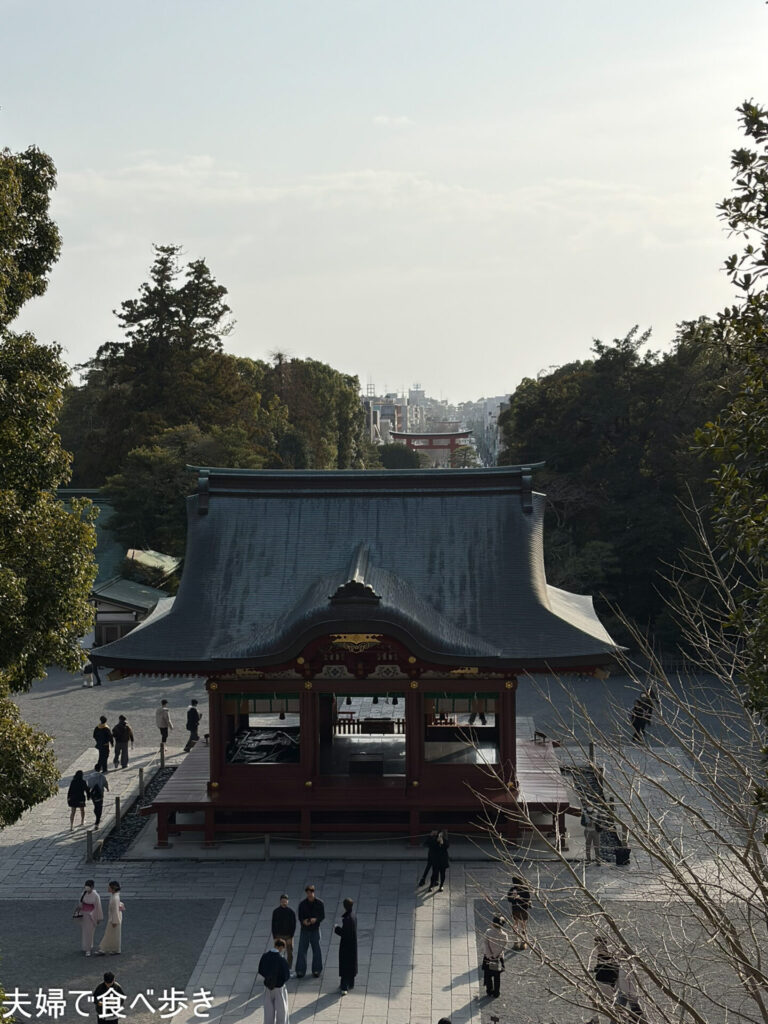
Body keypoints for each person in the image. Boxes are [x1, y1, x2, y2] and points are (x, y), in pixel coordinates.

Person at [258, 937, 291, 1024]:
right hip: (279, 988)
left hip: (268, 987)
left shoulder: (265, 956)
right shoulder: (281, 960)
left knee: (268, 1012)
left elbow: (261, 970)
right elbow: (286, 976)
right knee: (282, 1012)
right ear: (281, 947)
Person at [295, 884, 325, 978]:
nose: (309, 895)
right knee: (302, 950)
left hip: (315, 929)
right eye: (308, 893)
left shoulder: (319, 903)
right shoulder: (302, 904)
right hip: (305, 929)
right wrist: (304, 921)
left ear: (313, 892)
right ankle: (300, 970)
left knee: (317, 950)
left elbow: (322, 916)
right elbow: (300, 916)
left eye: (311, 893)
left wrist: (315, 920)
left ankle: (317, 970)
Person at [588, 936, 619, 1022]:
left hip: (605, 983)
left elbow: (613, 968)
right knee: (594, 1001)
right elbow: (602, 967)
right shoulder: (602, 955)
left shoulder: (607, 955)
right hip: (600, 982)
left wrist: (613, 984)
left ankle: (617, 1020)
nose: (595, 946)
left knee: (610, 1005)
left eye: (596, 944)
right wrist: (594, 970)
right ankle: (595, 1020)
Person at [334, 897, 357, 995]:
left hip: (346, 945)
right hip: (352, 944)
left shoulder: (347, 919)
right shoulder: (353, 915)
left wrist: (337, 928)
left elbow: (345, 933)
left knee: (345, 965)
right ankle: (351, 983)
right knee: (351, 964)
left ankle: (344, 985)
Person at [481, 915, 509, 998]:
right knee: (497, 977)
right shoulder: (505, 935)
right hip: (498, 958)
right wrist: (496, 955)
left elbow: (485, 944)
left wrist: (489, 955)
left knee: (488, 975)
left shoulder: (488, 932)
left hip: (488, 957)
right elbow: (503, 947)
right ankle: (496, 993)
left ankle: (489, 991)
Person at [75, 878, 103, 956]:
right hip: (84, 914)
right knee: (85, 931)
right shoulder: (83, 893)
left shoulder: (96, 895)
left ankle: (88, 949)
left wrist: (98, 917)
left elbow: (98, 907)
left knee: (90, 932)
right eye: (86, 886)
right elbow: (80, 904)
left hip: (92, 915)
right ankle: (85, 946)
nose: (87, 888)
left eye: (88, 886)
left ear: (92, 887)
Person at [96, 880, 123, 955]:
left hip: (113, 918)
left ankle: (104, 949)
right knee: (114, 934)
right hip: (114, 917)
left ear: (113, 888)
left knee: (109, 933)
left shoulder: (115, 898)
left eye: (109, 887)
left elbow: (115, 911)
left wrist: (114, 921)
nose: (108, 888)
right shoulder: (115, 896)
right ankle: (115, 949)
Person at [271, 894, 297, 970]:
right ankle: (277, 968)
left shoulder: (291, 912)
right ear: (280, 902)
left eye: (285, 901)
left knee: (290, 953)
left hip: (288, 936)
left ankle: (289, 968)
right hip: (278, 935)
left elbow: (293, 925)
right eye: (282, 901)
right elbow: (273, 925)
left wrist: (291, 937)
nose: (284, 903)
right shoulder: (276, 912)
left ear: (288, 902)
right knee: (276, 953)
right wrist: (275, 937)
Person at [507, 876, 531, 950]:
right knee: (517, 925)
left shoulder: (523, 889)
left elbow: (527, 899)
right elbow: (509, 898)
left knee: (520, 925)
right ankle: (518, 942)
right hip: (518, 909)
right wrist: (513, 897)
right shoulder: (515, 889)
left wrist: (519, 898)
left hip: (521, 909)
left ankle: (520, 942)